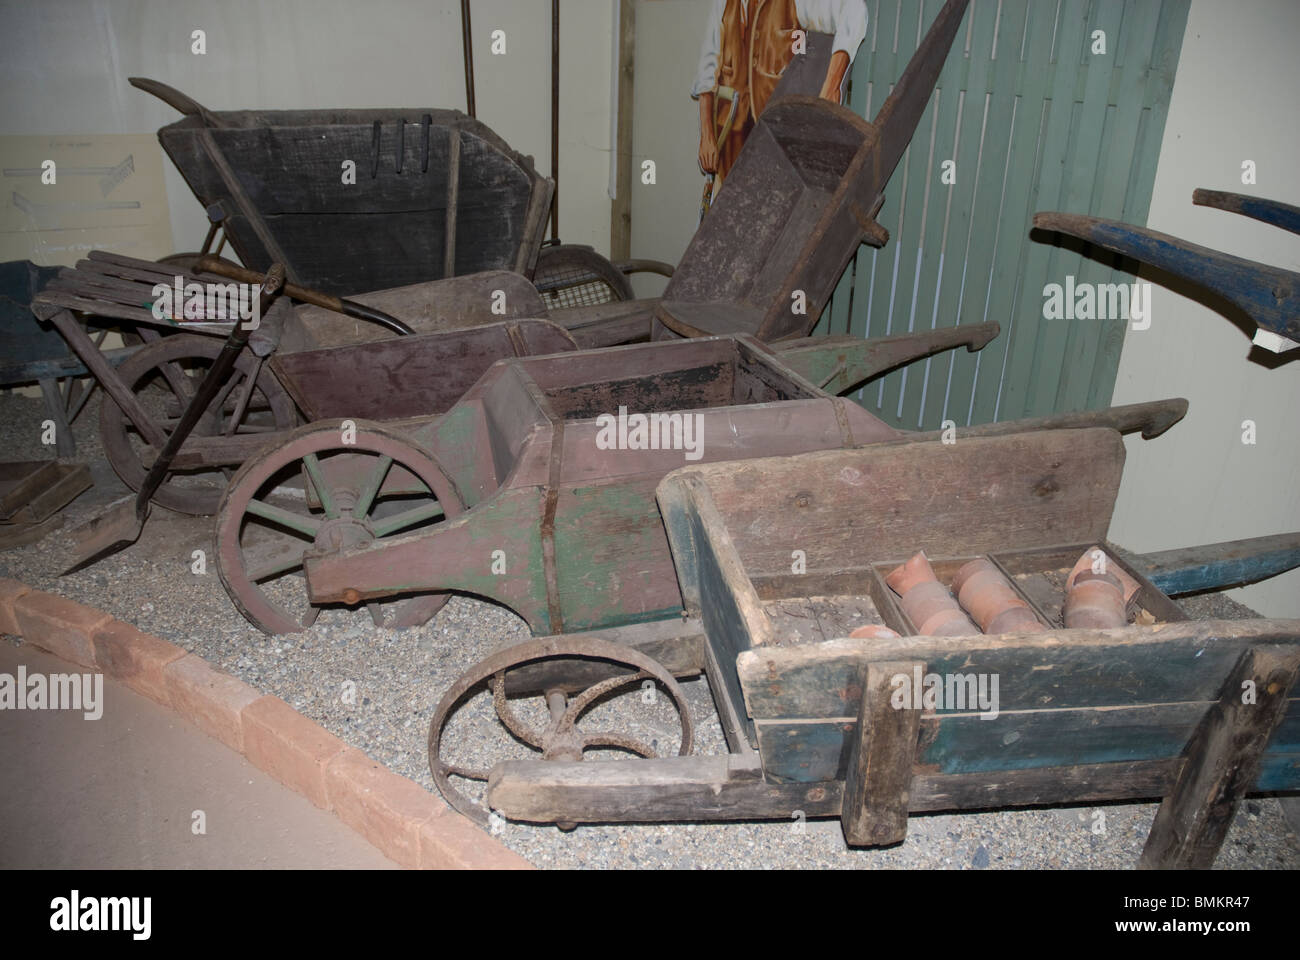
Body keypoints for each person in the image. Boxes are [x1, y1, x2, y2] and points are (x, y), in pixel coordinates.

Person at [693, 0, 869, 208]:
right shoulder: (722, 4)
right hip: (730, 135)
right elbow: (708, 68)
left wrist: (832, 86)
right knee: (725, 215)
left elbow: (853, 9)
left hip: (773, 138)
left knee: (769, 212)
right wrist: (707, 135)